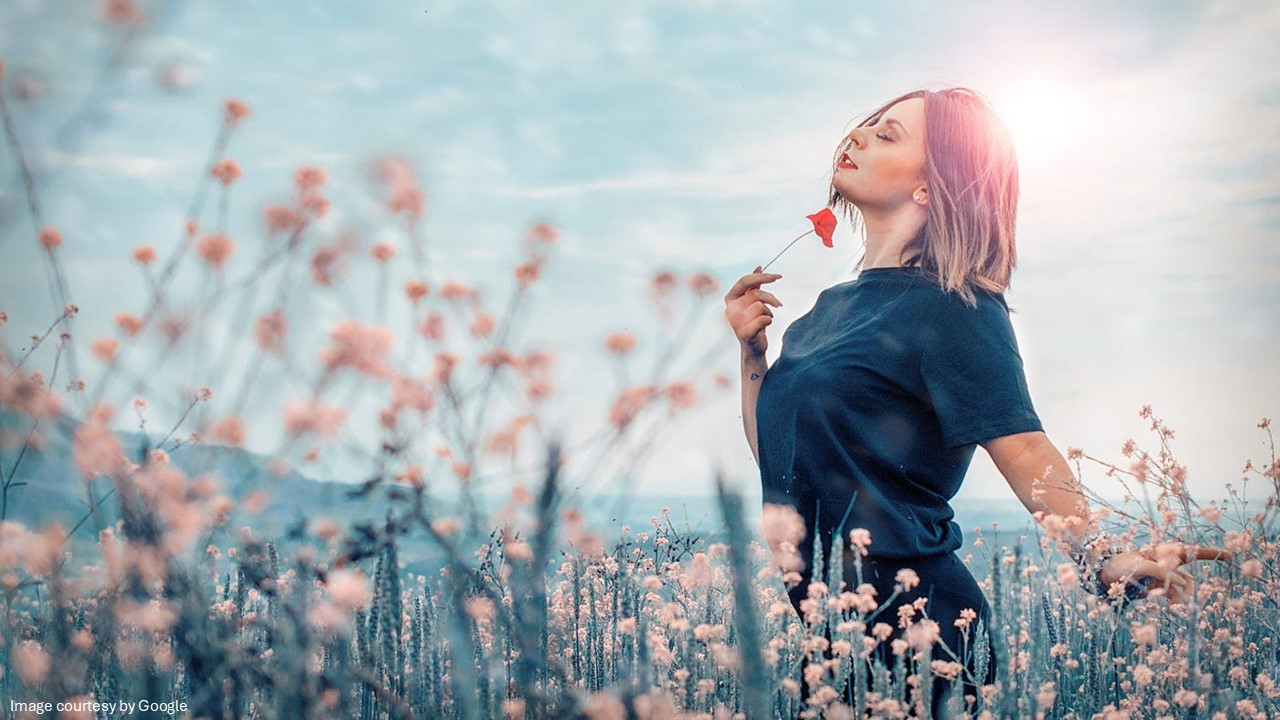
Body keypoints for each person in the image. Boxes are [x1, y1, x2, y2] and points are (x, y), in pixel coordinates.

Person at [722, 87, 1233, 716]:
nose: (856, 137)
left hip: (918, 630)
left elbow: (1020, 443)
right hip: (827, 637)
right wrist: (753, 360)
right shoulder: (828, 311)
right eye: (867, 126)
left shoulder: (954, 305)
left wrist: (1101, 557)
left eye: (888, 136)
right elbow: (780, 457)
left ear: (931, 188)